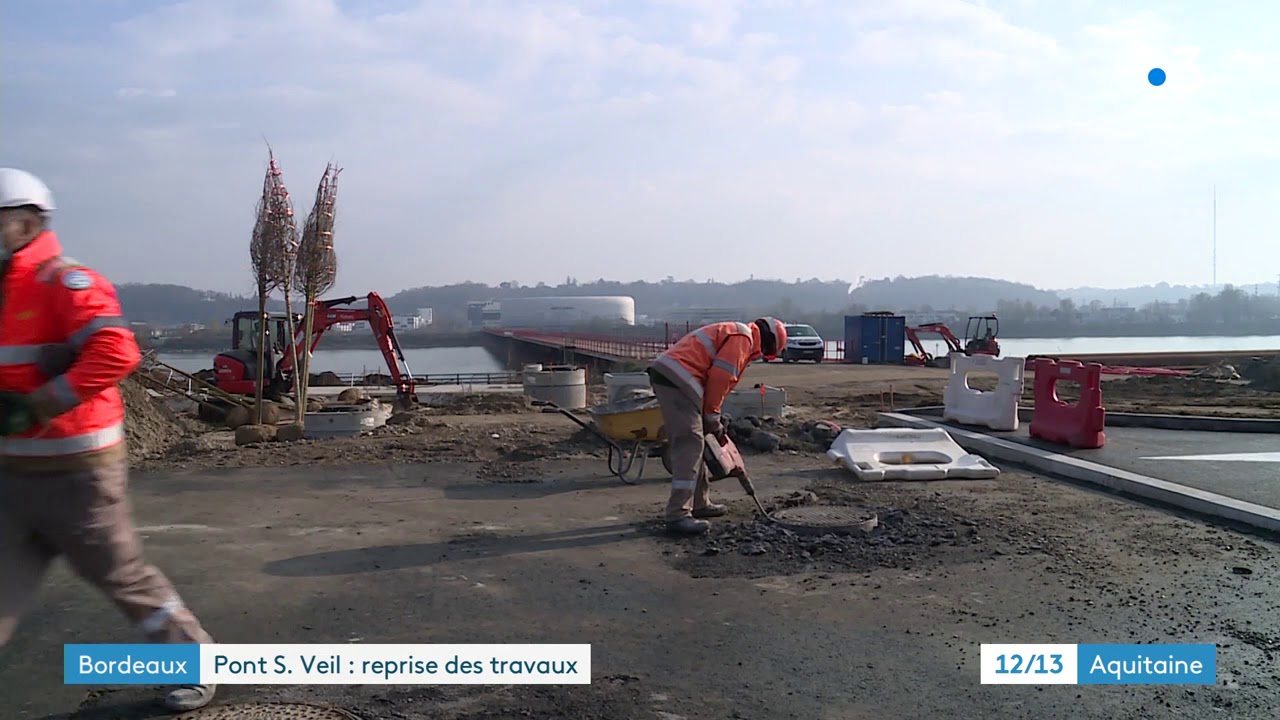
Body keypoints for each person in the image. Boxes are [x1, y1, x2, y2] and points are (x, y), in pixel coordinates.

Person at [0, 168, 216, 712]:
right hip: (12, 473)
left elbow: (117, 352)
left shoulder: (66, 283)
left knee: (123, 576)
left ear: (26, 224)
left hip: (76, 473)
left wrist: (40, 402)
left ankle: (196, 663)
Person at [646, 317, 787, 534]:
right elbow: (720, 378)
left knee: (699, 442)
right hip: (678, 378)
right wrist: (712, 417)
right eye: (768, 352)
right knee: (690, 443)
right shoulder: (743, 338)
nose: (762, 356)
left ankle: (700, 503)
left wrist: (712, 419)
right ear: (769, 342)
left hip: (677, 377)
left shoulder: (738, 334)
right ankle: (677, 515)